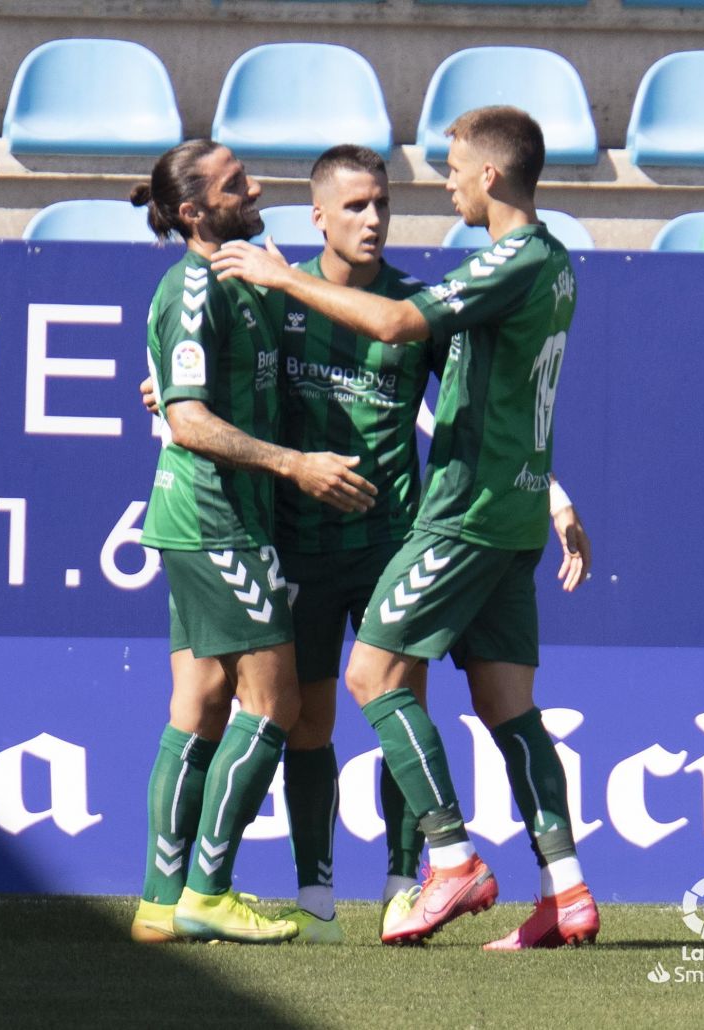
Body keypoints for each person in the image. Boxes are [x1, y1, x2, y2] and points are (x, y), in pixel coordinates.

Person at [211, 105, 600, 950]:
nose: (444, 182)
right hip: (517, 510)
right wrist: (560, 497)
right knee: (507, 705)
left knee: (372, 678)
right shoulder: (558, 263)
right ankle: (565, 889)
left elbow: (394, 324)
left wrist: (280, 278)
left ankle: (449, 860)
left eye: (454, 167)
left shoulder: (509, 259)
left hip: (464, 511)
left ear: (490, 175)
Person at [128, 139, 376, 945]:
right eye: (237, 184)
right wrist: (294, 464)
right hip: (215, 520)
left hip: (206, 518)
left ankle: (159, 904)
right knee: (274, 702)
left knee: (199, 703)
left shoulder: (242, 278)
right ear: (196, 211)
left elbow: (183, 391)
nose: (256, 186)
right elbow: (190, 418)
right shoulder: (193, 285)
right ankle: (209, 889)